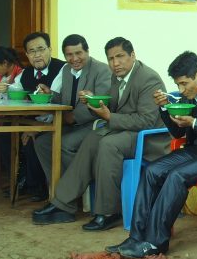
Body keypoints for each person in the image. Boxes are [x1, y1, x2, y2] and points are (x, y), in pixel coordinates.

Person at [106, 51, 197, 257]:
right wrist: (164, 109)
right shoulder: (188, 94)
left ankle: (155, 243)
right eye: (178, 85)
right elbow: (178, 133)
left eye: (184, 84)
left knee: (176, 176)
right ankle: (136, 237)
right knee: (152, 171)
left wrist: (195, 123)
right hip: (195, 149)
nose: (181, 90)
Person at [32, 37, 168, 231]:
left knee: (108, 144)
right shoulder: (116, 77)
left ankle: (109, 212)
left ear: (132, 55)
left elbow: (146, 121)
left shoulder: (148, 78)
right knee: (92, 139)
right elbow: (113, 106)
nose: (115, 63)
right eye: (111, 58)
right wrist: (93, 101)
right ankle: (63, 203)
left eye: (120, 56)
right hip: (126, 130)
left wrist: (109, 116)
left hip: (147, 137)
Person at [34, 34, 111, 181]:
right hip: (72, 125)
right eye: (69, 55)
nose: (74, 59)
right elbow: (65, 100)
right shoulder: (66, 70)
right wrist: (49, 94)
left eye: (78, 53)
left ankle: (78, 187)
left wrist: (73, 117)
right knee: (42, 143)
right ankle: (57, 186)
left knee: (65, 144)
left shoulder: (102, 70)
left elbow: (102, 103)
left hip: (94, 125)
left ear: (87, 51)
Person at [15, 32, 66, 201]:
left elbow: (59, 105)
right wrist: (3, 90)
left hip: (59, 121)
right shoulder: (25, 73)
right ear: (27, 54)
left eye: (41, 49)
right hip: (33, 121)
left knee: (32, 140)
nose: (37, 55)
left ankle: (40, 188)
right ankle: (23, 181)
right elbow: (13, 93)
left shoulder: (62, 69)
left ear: (50, 49)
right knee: (5, 134)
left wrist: (36, 129)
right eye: (32, 51)